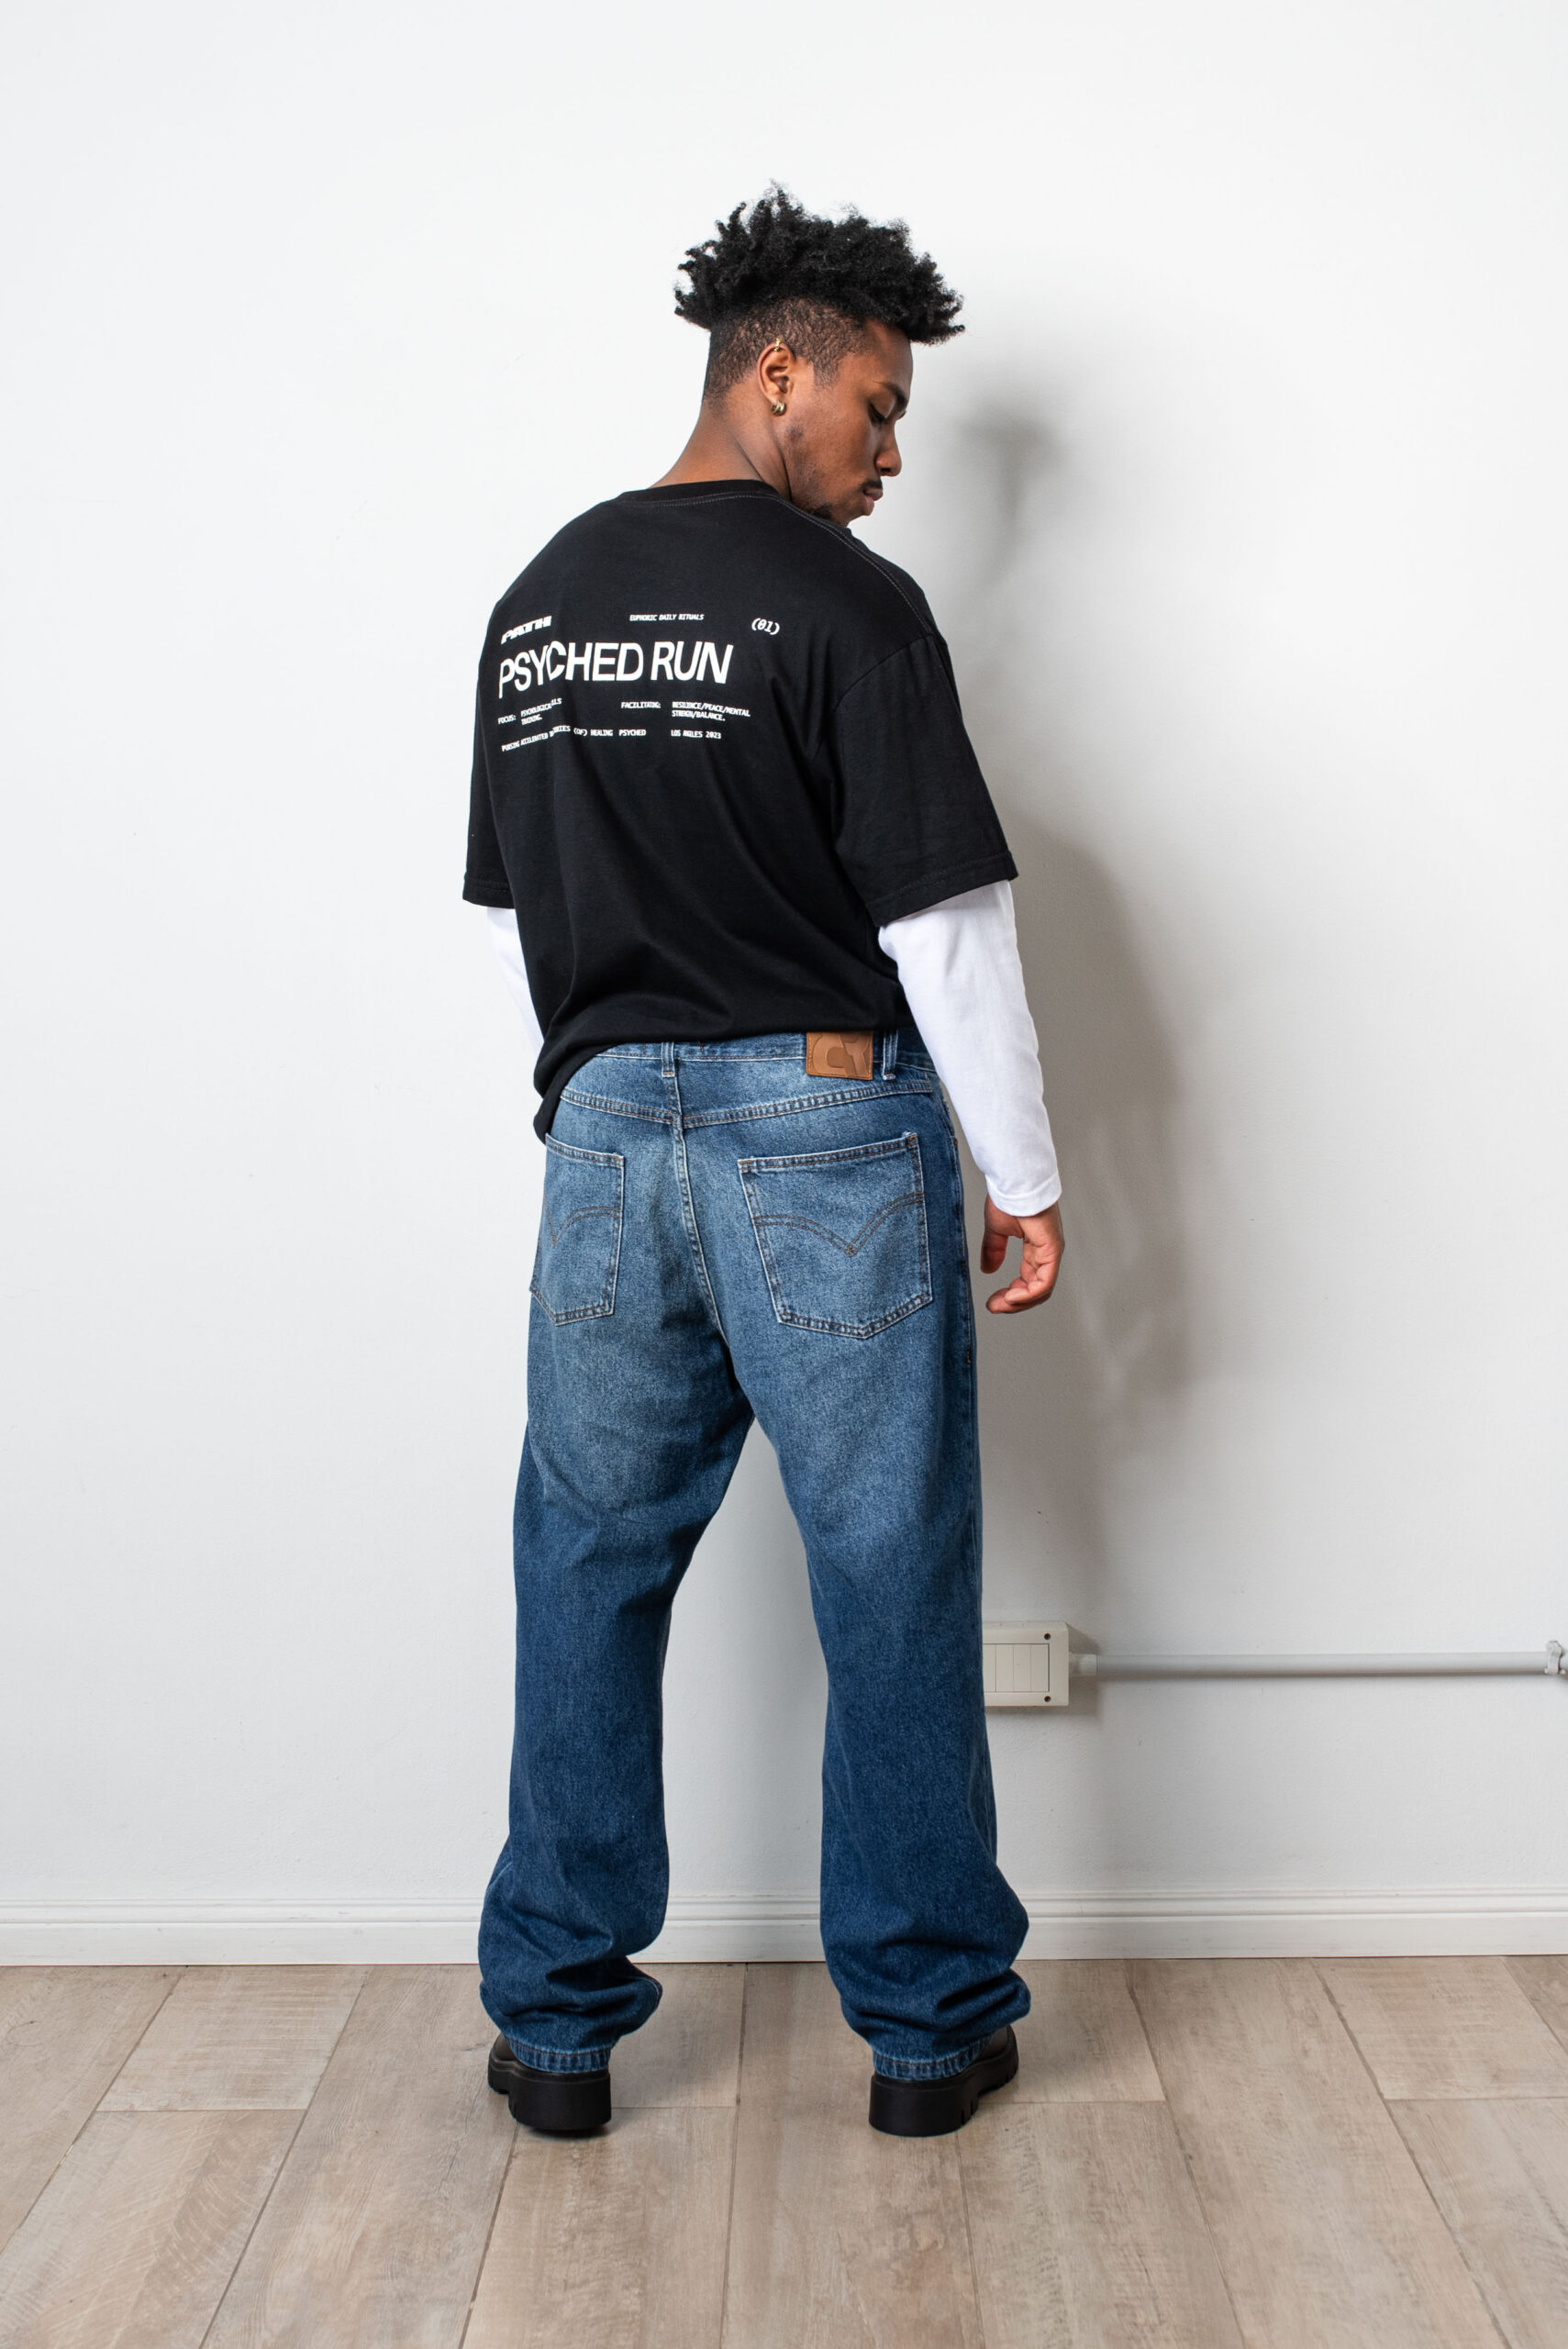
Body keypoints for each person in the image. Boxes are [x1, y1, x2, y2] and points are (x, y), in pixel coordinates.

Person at [463, 187, 1064, 2140]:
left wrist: (627, 1090)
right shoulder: (849, 607)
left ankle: (555, 2031)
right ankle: (926, 2027)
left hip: (600, 1130)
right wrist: (1022, 1171)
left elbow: (536, 905)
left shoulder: (539, 602)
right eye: (878, 408)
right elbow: (943, 922)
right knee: (888, 1569)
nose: (890, 454)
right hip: (820, 1125)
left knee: (586, 1563)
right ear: (776, 371)